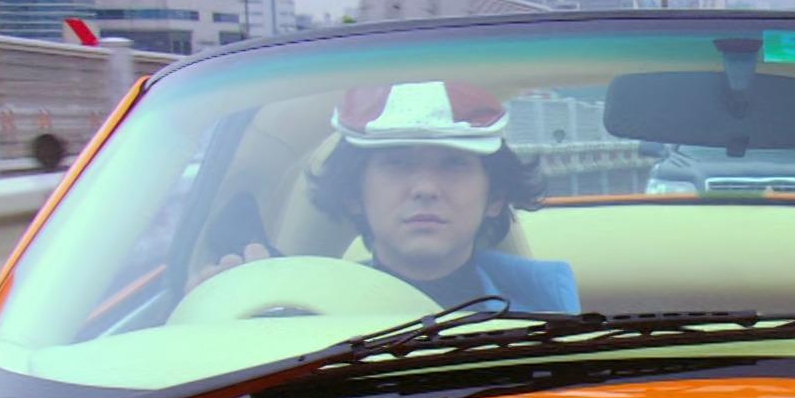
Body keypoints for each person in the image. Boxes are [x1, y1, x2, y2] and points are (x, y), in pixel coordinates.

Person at [195, 80, 579, 313]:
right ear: (354, 194)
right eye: (397, 164)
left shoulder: (548, 319)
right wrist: (218, 314)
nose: (425, 188)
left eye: (453, 164)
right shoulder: (292, 315)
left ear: (494, 197)